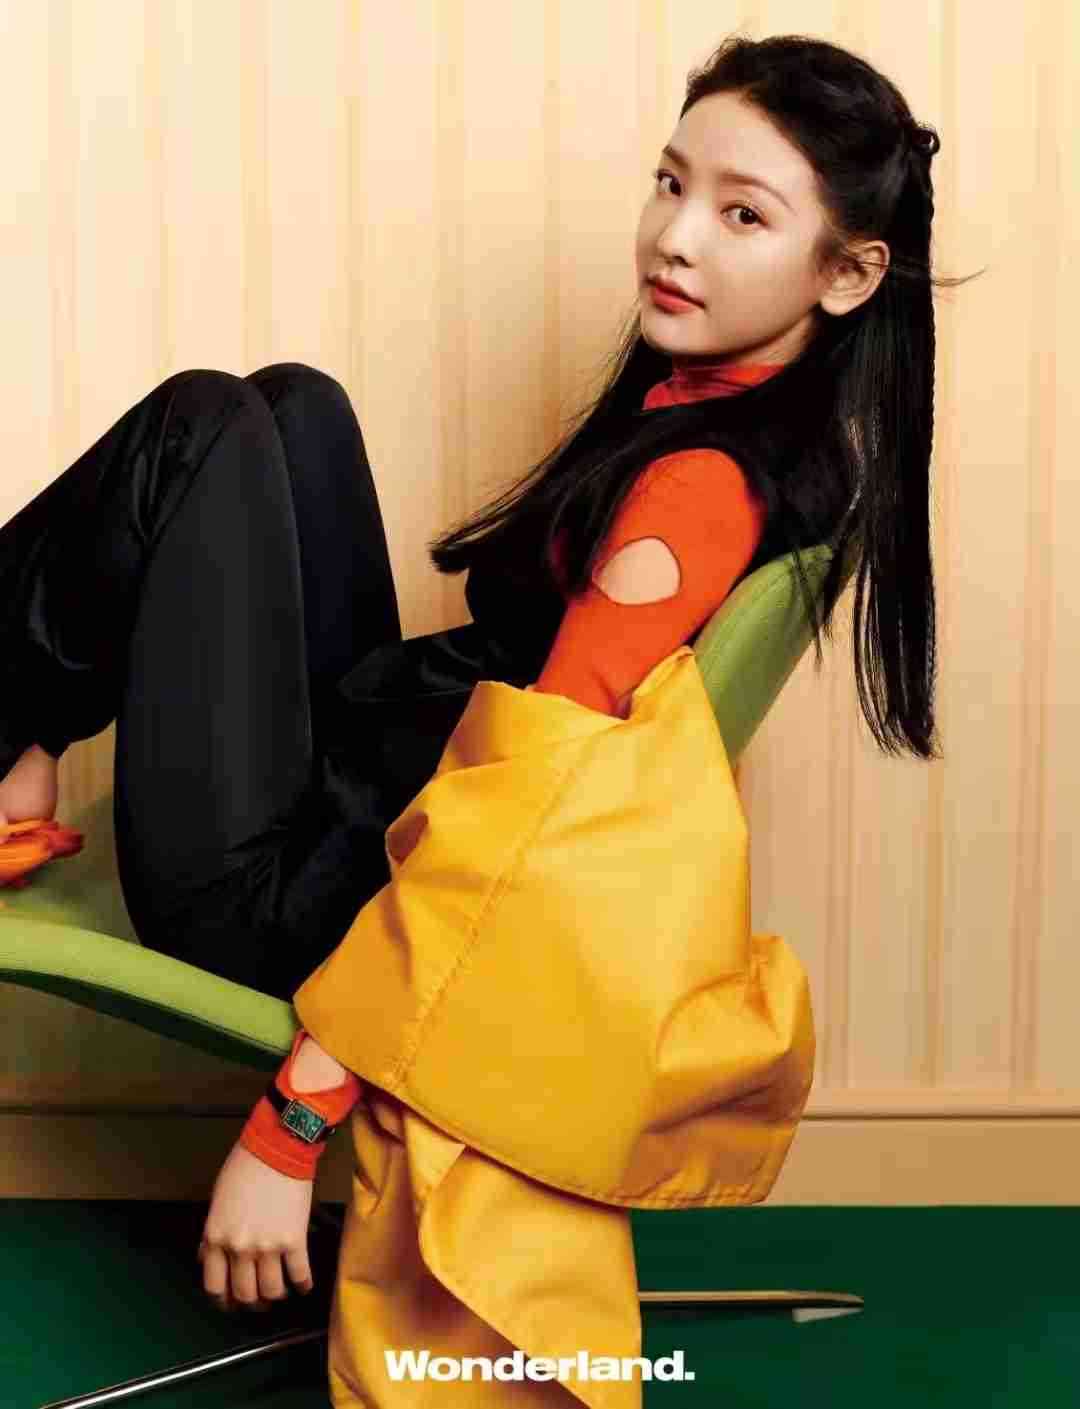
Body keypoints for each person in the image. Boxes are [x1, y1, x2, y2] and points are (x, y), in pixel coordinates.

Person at [2, 29, 979, 1404]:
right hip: (367, 792)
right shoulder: (749, 422)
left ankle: (11, 734)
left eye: (743, 214)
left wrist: (294, 1125)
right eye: (672, 183)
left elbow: (519, 834)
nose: (675, 236)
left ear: (849, 272)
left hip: (299, 900)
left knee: (200, 426)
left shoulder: (698, 491)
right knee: (293, 407)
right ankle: (26, 734)